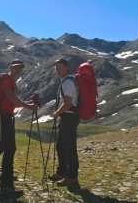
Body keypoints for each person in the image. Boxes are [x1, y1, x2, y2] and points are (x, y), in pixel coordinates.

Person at [0, 59, 37, 196]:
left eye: (20, 68)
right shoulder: (7, 79)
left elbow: (12, 102)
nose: (18, 70)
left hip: (5, 117)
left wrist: (29, 102)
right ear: (11, 67)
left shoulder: (11, 82)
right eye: (15, 67)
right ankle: (6, 185)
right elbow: (10, 98)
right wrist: (28, 106)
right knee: (9, 148)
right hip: (2, 118)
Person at [49, 57, 80, 187]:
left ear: (67, 68)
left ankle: (72, 177)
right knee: (60, 146)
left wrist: (57, 113)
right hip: (67, 117)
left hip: (69, 117)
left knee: (69, 148)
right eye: (56, 68)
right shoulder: (66, 82)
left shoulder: (68, 83)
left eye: (60, 67)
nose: (58, 70)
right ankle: (62, 172)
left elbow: (67, 103)